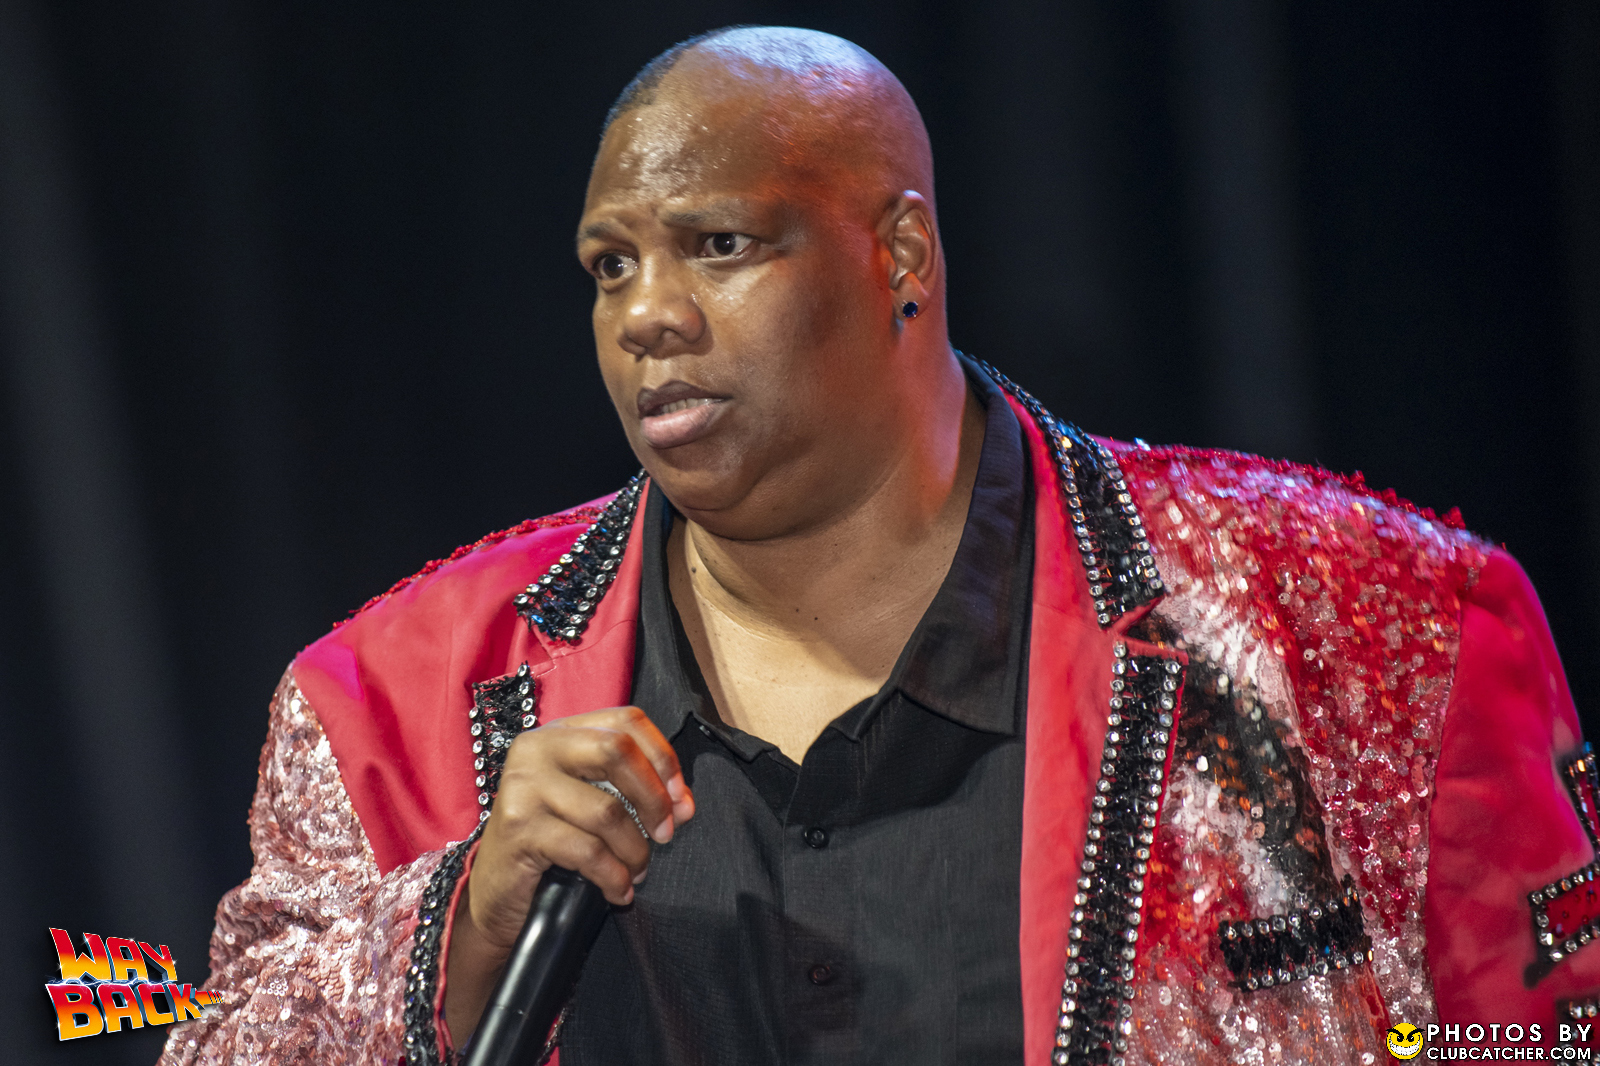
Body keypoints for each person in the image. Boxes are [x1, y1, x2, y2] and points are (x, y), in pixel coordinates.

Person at [160, 25, 1594, 1066]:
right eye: (612, 264)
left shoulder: (1373, 619)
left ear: (899, 258)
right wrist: (461, 925)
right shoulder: (389, 704)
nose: (646, 313)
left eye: (719, 245)